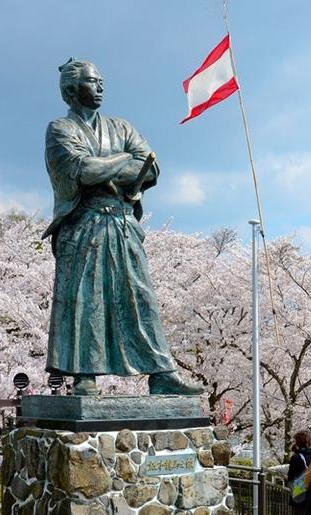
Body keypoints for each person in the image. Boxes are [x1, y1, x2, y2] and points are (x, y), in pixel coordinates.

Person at [43, 58, 202, 396]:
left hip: (122, 223)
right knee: (87, 299)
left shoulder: (122, 127)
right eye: (92, 82)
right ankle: (84, 374)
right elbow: (83, 171)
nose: (100, 87)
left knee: (141, 298)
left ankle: (161, 374)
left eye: (101, 81)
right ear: (71, 90)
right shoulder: (60, 130)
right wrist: (122, 161)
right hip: (83, 225)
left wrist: (109, 167)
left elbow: (151, 168)